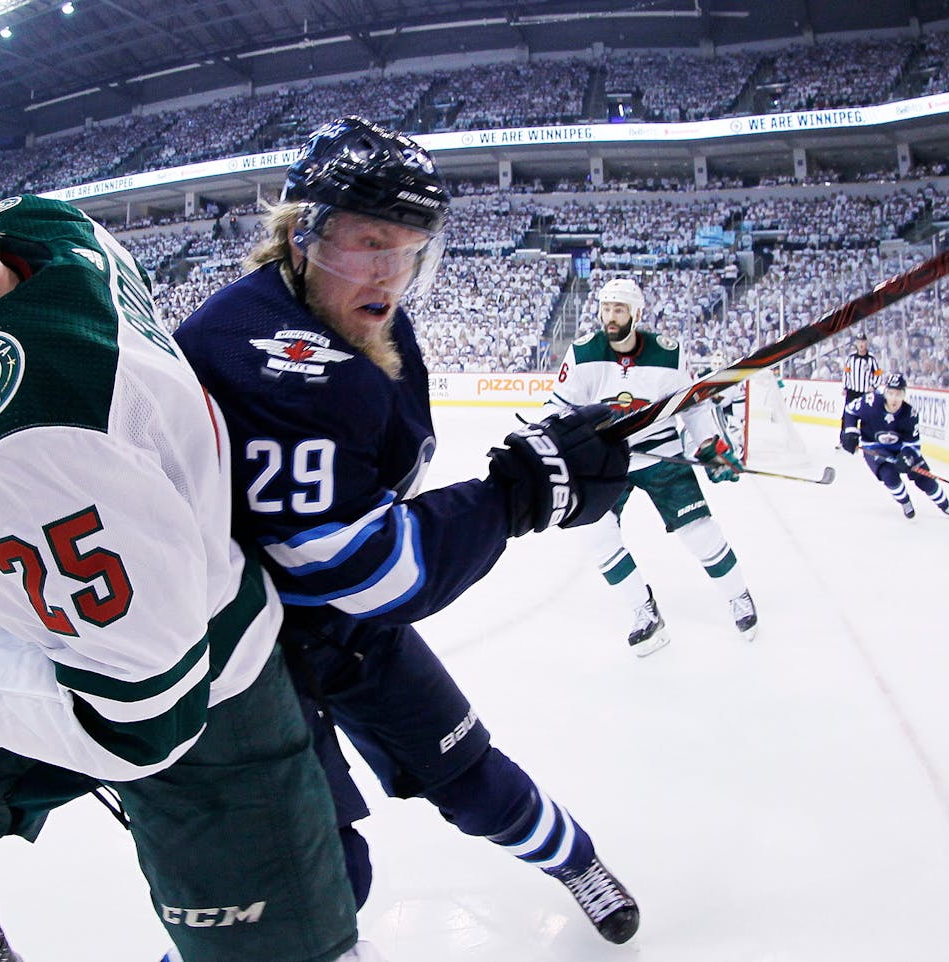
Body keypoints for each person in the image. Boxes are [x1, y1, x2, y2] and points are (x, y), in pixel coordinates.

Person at [0, 79, 369, 962]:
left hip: (203, 702)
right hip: (102, 635)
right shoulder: (53, 232)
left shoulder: (12, 432)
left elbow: (144, 723)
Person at [174, 116, 640, 945]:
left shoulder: (368, 319)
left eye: (407, 247)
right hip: (244, 654)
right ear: (300, 232)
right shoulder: (261, 354)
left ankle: (575, 861)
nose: (388, 271)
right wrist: (522, 492)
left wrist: (535, 465)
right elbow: (366, 569)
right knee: (310, 870)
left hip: (334, 627)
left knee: (470, 776)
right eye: (366, 240)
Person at [545, 277, 757, 656]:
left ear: (637, 314)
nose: (610, 317)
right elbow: (557, 408)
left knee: (699, 531)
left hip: (661, 452)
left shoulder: (668, 354)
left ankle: (738, 594)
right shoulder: (582, 352)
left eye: (619, 310)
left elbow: (693, 404)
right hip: (609, 458)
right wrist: (554, 443)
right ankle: (644, 611)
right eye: (606, 309)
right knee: (595, 531)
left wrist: (709, 444)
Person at [841, 372, 949, 519]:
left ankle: (946, 506)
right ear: (885, 392)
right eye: (891, 393)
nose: (894, 398)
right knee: (889, 475)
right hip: (874, 446)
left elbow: (913, 444)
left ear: (904, 395)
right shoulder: (870, 402)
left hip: (899, 447)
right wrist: (850, 432)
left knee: (925, 478)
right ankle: (905, 502)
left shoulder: (910, 414)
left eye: (898, 394)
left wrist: (907, 456)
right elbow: (850, 410)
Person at [840, 333, 881, 441]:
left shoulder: (871, 359)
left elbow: (878, 373)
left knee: (866, 417)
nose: (861, 344)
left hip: (865, 394)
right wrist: (845, 387)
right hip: (852, 392)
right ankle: (844, 440)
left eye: (863, 342)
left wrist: (874, 386)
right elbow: (846, 372)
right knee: (847, 416)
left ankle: (866, 440)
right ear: (856, 344)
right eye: (859, 342)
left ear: (866, 343)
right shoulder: (851, 358)